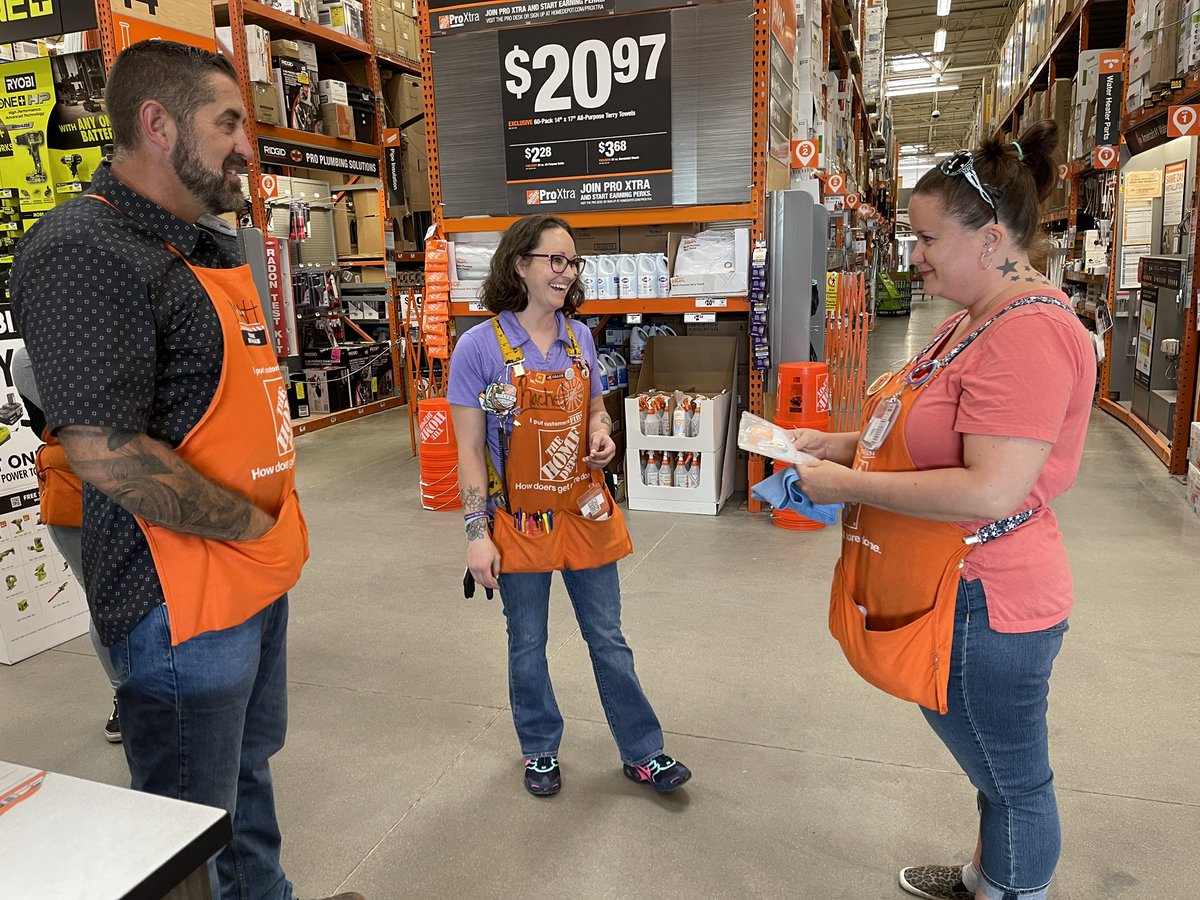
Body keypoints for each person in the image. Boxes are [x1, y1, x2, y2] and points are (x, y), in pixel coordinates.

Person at [10, 41, 358, 900]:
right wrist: (250, 524)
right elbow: (105, 451)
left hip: (251, 576)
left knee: (246, 773)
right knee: (182, 832)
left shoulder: (201, 243)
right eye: (228, 123)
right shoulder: (84, 248)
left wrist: (267, 537)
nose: (247, 145)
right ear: (158, 124)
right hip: (178, 602)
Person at [790, 120, 1094, 900]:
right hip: (953, 585)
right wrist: (841, 444)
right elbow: (929, 436)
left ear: (991, 239)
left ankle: (1012, 890)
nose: (913, 256)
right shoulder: (973, 319)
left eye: (927, 239)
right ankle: (988, 876)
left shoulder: (1028, 334)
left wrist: (851, 487)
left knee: (1013, 778)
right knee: (989, 764)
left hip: (989, 598)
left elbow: (990, 489)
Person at [447, 214, 691, 797]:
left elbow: (595, 410)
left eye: (573, 262)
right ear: (519, 265)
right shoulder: (478, 348)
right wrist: (477, 534)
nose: (567, 272)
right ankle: (539, 749)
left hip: (584, 510)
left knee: (607, 637)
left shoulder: (579, 337)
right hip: (519, 521)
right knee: (527, 643)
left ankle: (643, 751)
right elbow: (470, 450)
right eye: (555, 260)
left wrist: (603, 433)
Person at [12, 346, 122, 743]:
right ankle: (125, 695)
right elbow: (86, 417)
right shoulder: (29, 358)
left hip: (131, 486)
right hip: (74, 496)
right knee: (105, 604)